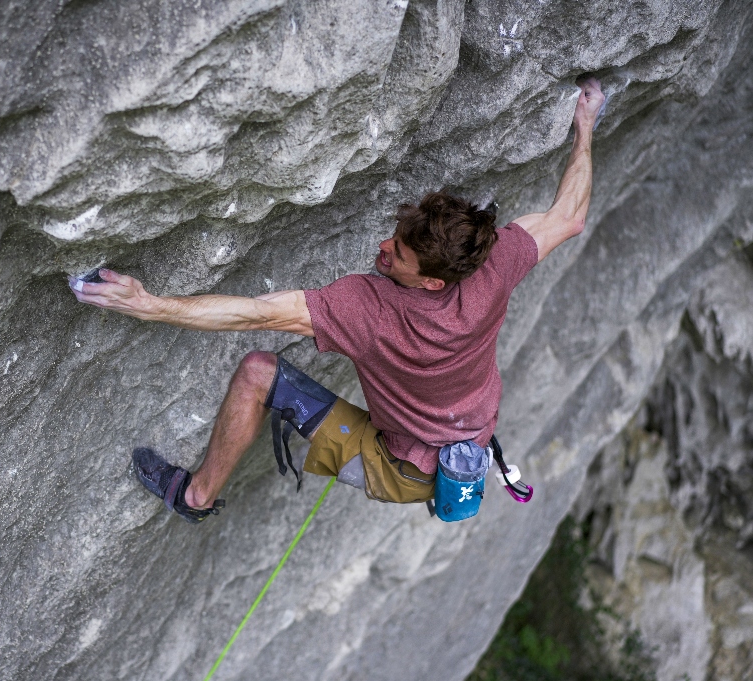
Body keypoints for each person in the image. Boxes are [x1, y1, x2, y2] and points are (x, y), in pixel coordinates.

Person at [71, 77, 605, 523]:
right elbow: (569, 217)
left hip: (399, 469)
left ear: (433, 282)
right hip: (465, 448)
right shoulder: (494, 265)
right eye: (393, 237)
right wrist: (585, 129)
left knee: (260, 372)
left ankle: (195, 497)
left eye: (396, 255)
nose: (382, 250)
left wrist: (150, 303)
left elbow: (256, 314)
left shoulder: (369, 310)